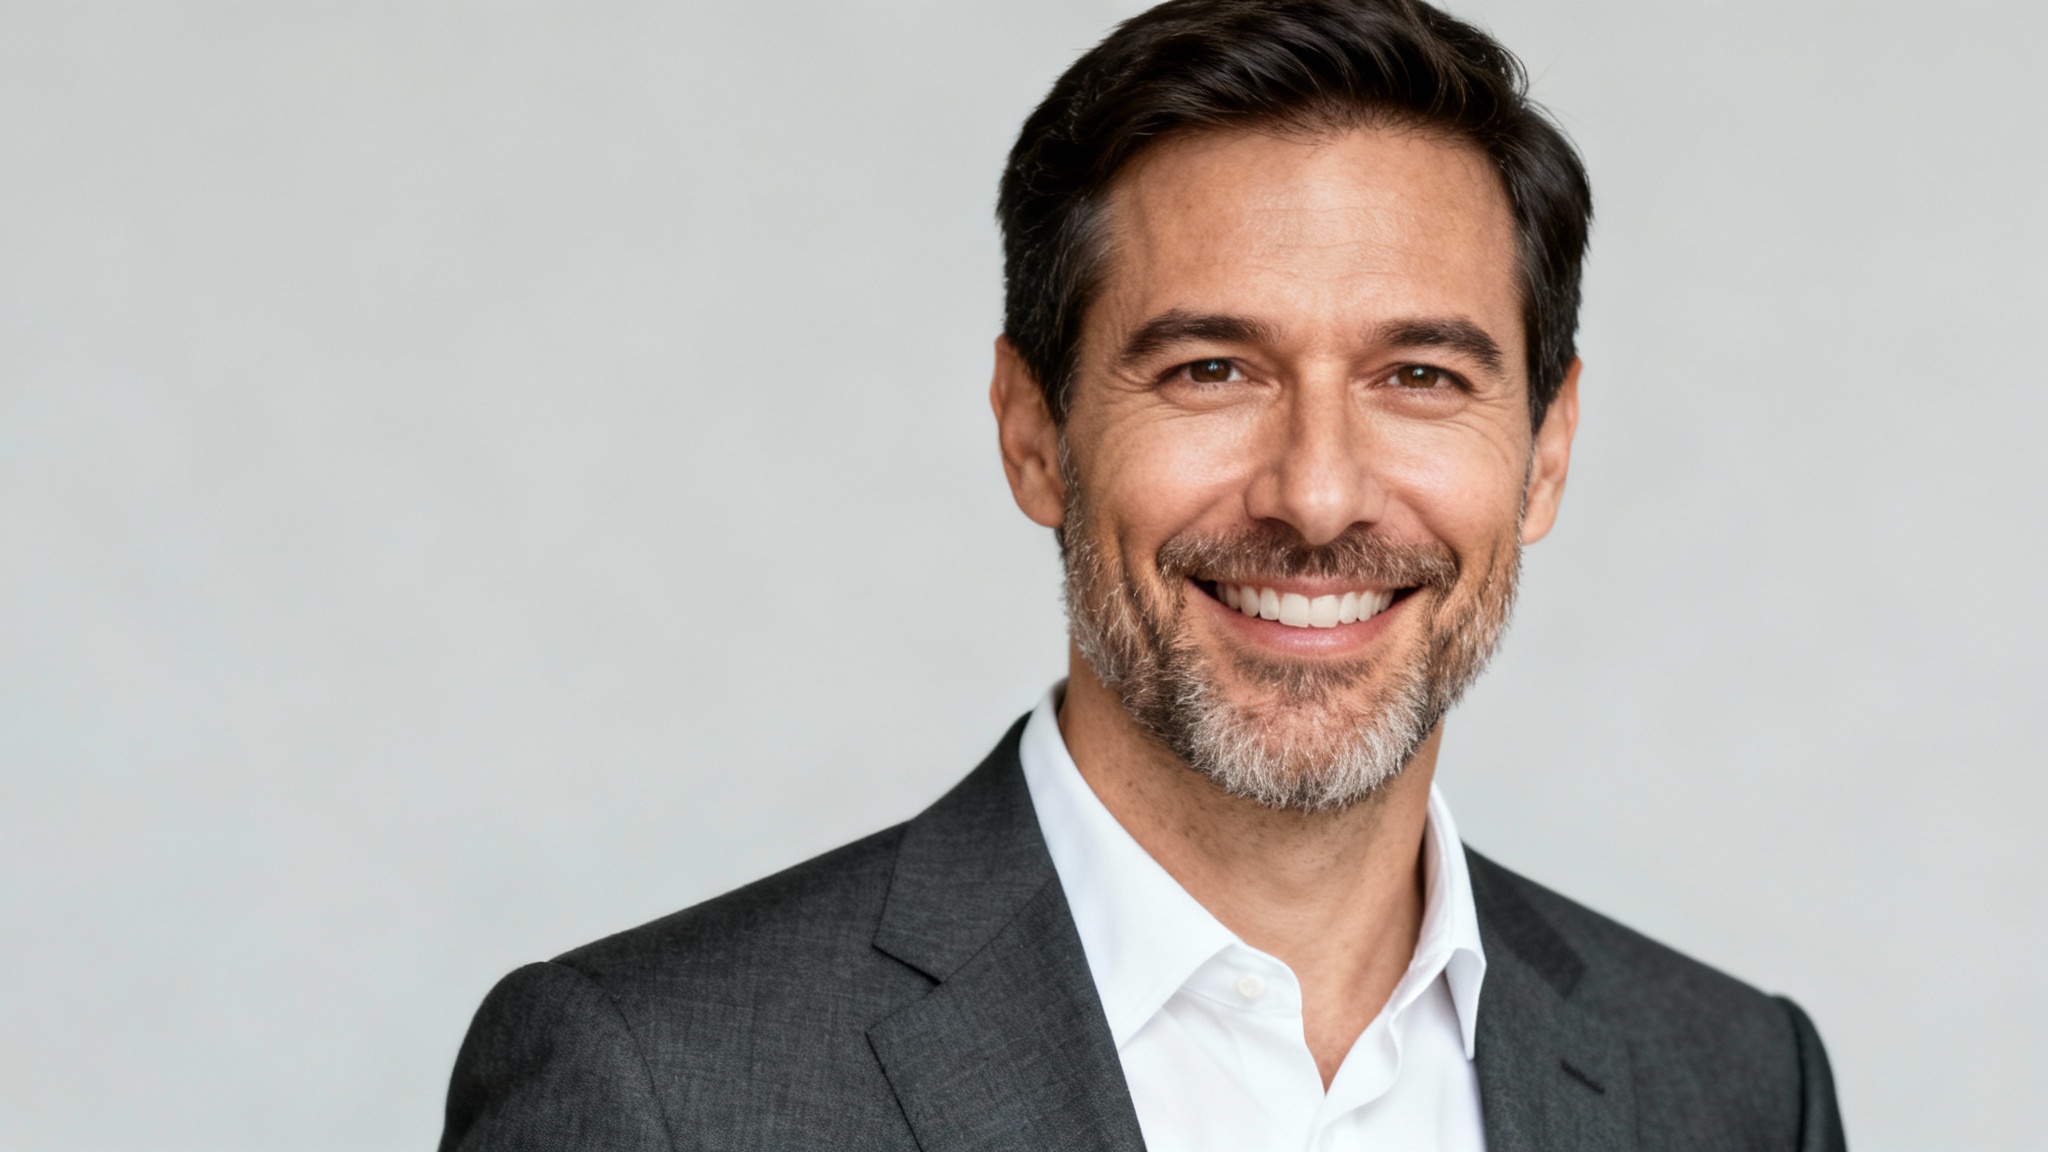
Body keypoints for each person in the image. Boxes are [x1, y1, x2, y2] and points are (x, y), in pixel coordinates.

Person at [438, 1, 1846, 1148]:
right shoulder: (654, 1091)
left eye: (1419, 376)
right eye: (1211, 370)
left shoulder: (1730, 1089)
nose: (1317, 494)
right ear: (1034, 430)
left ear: (1544, 454)